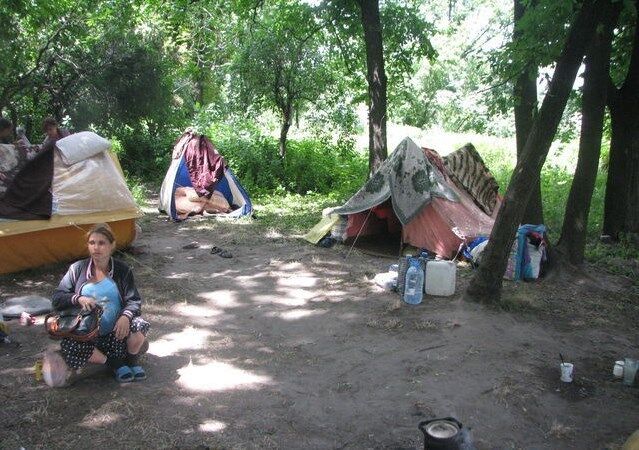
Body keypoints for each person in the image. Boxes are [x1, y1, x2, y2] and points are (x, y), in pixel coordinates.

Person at [47, 223, 150, 385]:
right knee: (70, 346)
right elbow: (57, 298)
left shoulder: (122, 270)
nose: (96, 248)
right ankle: (114, 364)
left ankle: (131, 361)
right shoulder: (77, 269)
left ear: (112, 245)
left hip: (117, 333)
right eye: (92, 243)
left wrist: (125, 316)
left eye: (101, 243)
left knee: (139, 324)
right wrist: (77, 298)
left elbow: (134, 301)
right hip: (87, 334)